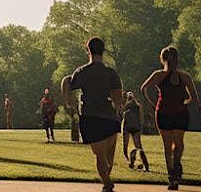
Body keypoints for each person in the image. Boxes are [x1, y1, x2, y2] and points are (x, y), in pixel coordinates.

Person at [61, 36, 123, 192]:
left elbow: (69, 85)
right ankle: (107, 180)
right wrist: (119, 110)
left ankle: (107, 182)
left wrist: (70, 104)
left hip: (90, 118)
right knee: (108, 156)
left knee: (100, 156)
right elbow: (118, 100)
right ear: (103, 51)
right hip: (110, 118)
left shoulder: (81, 72)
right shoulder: (111, 73)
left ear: (88, 50)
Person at [140, 46, 199, 190]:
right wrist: (186, 102)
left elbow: (144, 88)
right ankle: (176, 167)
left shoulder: (159, 75)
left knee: (168, 145)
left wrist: (152, 103)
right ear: (177, 59)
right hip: (179, 113)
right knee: (178, 143)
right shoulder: (184, 76)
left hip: (164, 113)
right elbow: (194, 97)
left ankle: (172, 176)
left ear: (163, 59)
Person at [121, 91, 148, 171]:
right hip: (136, 128)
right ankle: (144, 164)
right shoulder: (138, 106)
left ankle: (130, 161)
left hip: (127, 127)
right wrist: (140, 127)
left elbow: (121, 112)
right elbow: (141, 119)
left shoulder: (126, 106)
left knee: (125, 145)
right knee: (138, 146)